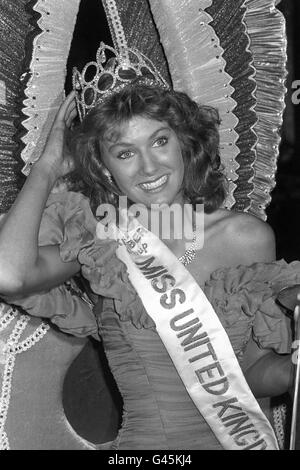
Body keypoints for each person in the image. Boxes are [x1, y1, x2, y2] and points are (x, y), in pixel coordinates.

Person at [0, 43, 299, 450]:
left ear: (182, 141)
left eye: (159, 142)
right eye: (125, 153)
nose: (150, 167)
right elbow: (9, 274)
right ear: (104, 166)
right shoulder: (100, 244)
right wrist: (50, 163)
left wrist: (293, 370)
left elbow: (251, 373)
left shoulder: (246, 238)